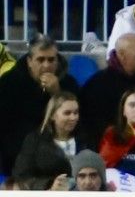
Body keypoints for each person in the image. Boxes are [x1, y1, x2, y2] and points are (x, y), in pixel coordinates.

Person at [0, 37, 80, 169]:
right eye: (41, 59)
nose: (46, 65)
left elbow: (77, 120)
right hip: (20, 153)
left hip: (60, 151)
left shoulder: (68, 83)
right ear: (29, 61)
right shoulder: (9, 83)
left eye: (51, 60)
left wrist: (57, 93)